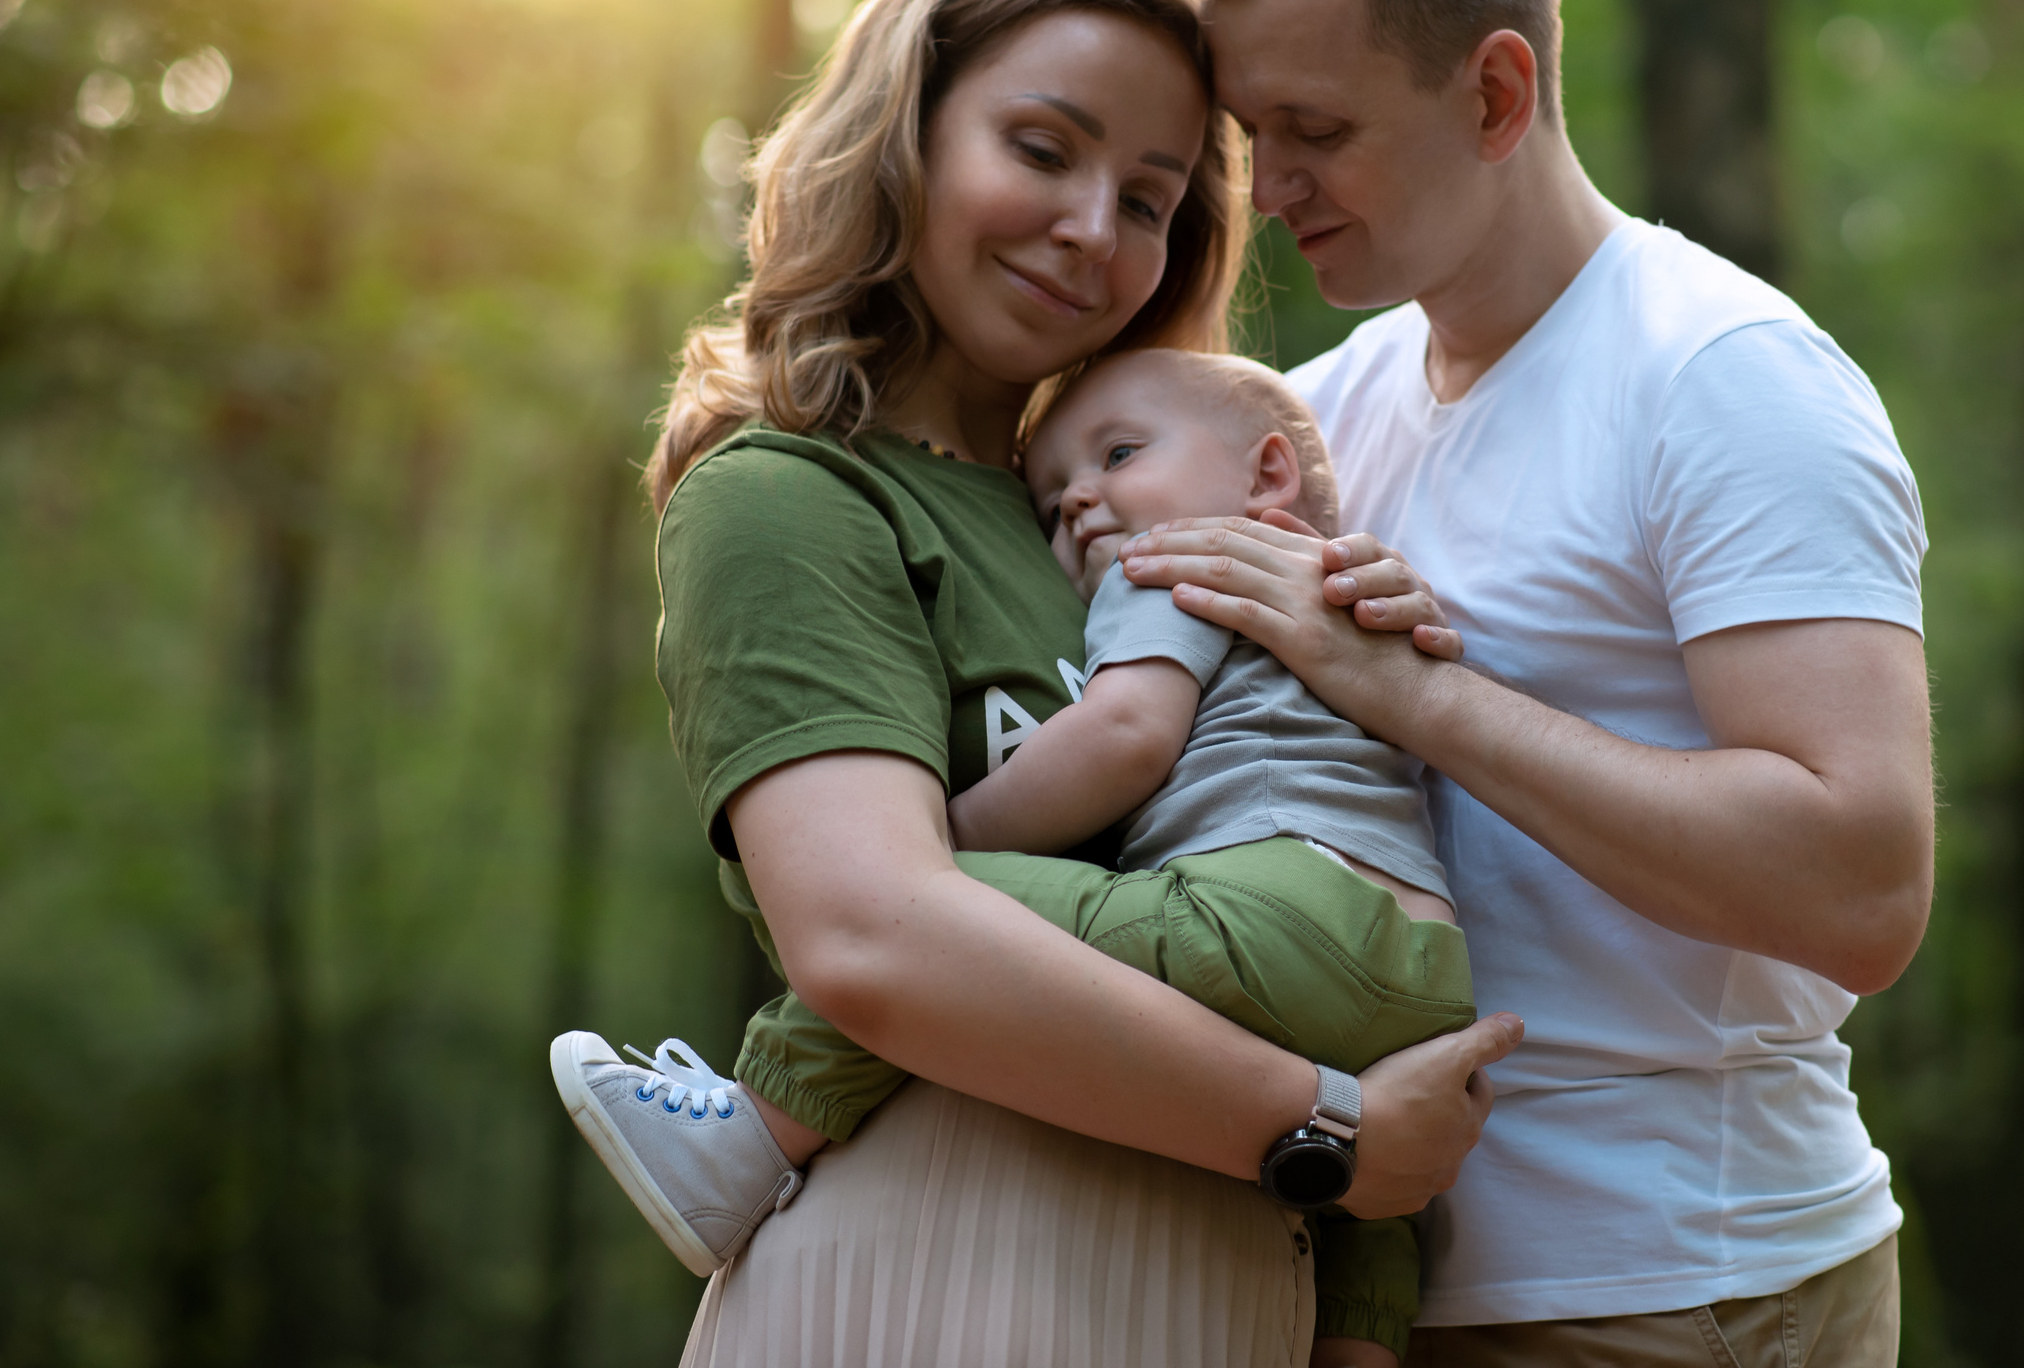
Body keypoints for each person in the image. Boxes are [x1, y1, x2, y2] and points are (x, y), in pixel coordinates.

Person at [561, 0, 1522, 1368]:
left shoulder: (1103, 520)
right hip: (945, 1282)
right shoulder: (788, 496)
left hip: (1216, 1293)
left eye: (1147, 198)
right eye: (1041, 149)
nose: (1091, 229)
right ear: (907, 131)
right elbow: (874, 934)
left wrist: (1374, 639)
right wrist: (1322, 1129)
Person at [1116, 0, 1934, 1366]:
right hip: (1372, 1281)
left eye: (1319, 129)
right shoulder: (1322, 412)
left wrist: (1423, 697)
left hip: (1677, 1290)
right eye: (1248, 135)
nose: (1268, 184)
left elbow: (1866, 887)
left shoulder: (1726, 379)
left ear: (1496, 91)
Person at [564, 346, 1476, 1359]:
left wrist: (942, 840)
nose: (1083, 500)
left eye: (1119, 452)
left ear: (1266, 474)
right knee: (1377, 1219)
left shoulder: (1175, 559)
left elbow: (1125, 734)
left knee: (915, 908)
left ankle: (750, 1133)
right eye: (1049, 501)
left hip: (1277, 909)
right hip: (1425, 969)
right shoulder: (1354, 582)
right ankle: (1358, 1343)